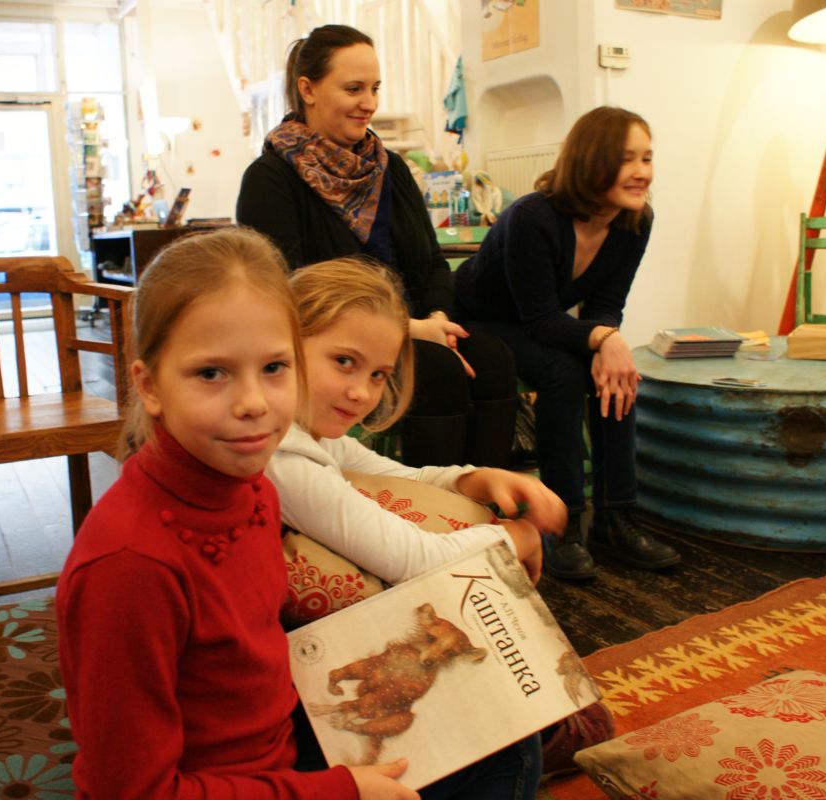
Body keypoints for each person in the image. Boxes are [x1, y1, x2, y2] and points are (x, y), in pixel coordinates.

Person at [56, 228, 418, 799]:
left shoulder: (253, 490)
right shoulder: (129, 567)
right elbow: (132, 791)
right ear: (149, 386)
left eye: (274, 368)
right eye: (211, 373)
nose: (253, 403)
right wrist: (336, 792)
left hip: (279, 747)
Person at [268, 258, 554, 796]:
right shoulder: (283, 457)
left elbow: (396, 476)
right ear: (282, 346)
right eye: (344, 362)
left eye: (378, 375)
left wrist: (473, 477)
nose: (362, 392)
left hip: (290, 679)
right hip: (280, 715)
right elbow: (412, 560)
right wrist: (515, 538)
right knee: (515, 752)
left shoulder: (308, 435)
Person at [236, 24, 518, 470]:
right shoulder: (269, 179)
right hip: (334, 346)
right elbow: (289, 293)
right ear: (308, 90)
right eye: (353, 89)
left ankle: (484, 499)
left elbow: (432, 263)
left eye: (374, 88)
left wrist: (437, 319)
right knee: (438, 371)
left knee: (494, 358)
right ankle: (431, 505)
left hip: (417, 329)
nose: (369, 102)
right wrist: (407, 330)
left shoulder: (391, 168)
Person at [453, 106, 681, 582]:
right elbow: (540, 318)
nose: (642, 171)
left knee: (616, 373)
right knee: (564, 371)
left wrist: (607, 343)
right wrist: (603, 338)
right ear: (591, 160)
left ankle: (617, 517)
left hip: (541, 323)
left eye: (647, 158)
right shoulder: (532, 217)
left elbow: (605, 304)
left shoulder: (635, 221)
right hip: (481, 320)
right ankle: (561, 524)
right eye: (626, 159)